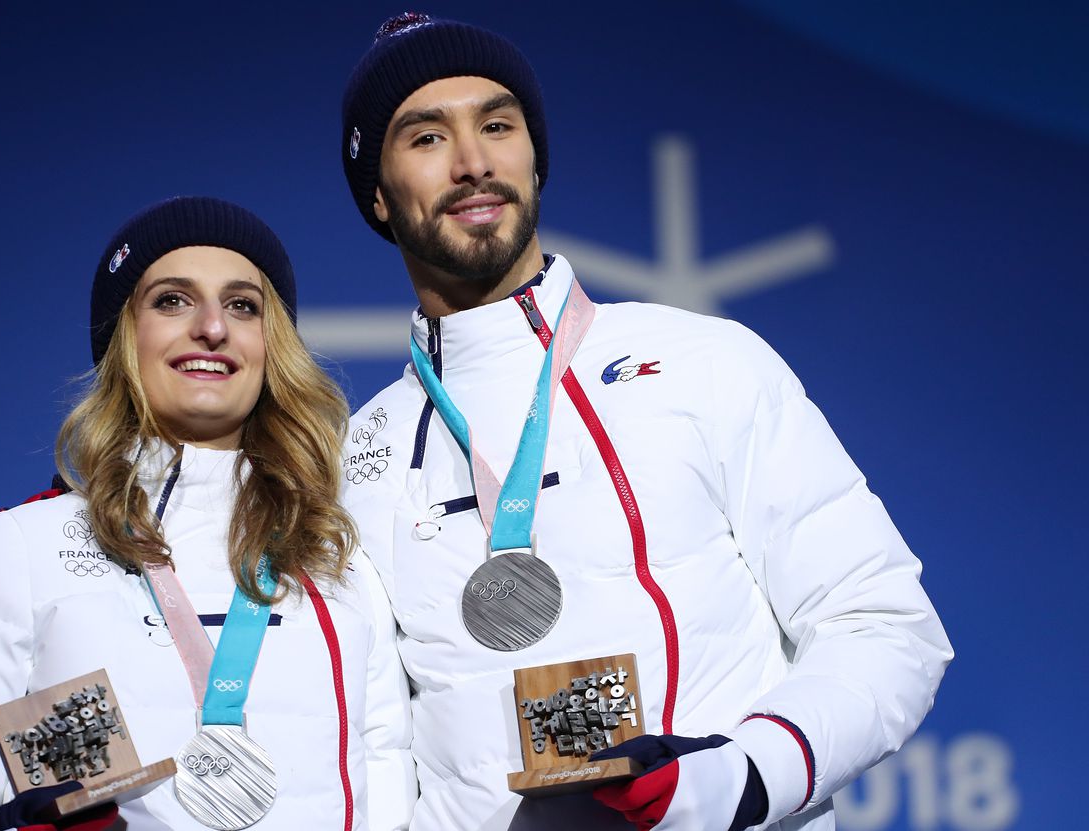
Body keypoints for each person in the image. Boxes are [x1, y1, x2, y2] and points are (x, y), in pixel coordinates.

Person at [337, 13, 953, 831]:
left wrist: (739, 778)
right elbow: (365, 747)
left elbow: (883, 623)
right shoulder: (356, 458)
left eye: (497, 125)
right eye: (425, 137)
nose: (473, 161)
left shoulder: (705, 359)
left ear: (534, 156)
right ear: (378, 194)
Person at [0, 196, 416, 830]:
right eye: (172, 300)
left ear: (271, 345)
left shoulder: (339, 563)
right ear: (123, 337)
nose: (212, 328)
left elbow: (392, 804)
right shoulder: (22, 551)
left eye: (244, 305)